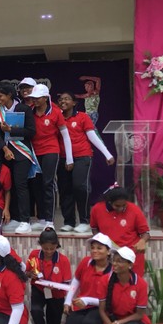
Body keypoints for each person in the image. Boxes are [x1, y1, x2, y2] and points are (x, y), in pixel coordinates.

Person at [57, 92, 115, 233]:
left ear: (74, 103)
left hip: (82, 156)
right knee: (65, 190)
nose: (63, 101)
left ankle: (84, 221)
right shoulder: (57, 118)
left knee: (80, 187)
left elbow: (92, 136)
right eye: (61, 99)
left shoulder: (82, 117)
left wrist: (107, 154)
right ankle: (69, 222)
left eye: (67, 99)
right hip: (63, 158)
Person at [0, 81, 37, 234]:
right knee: (9, 186)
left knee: (21, 185)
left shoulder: (24, 109)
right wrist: (4, 149)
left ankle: (25, 221)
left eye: (1, 96)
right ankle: (14, 218)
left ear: (9, 95)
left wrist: (11, 129)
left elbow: (31, 131)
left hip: (22, 152)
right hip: (5, 153)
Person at [28, 84, 73, 230]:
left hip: (51, 150)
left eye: (37, 98)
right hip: (35, 152)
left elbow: (65, 135)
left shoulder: (55, 112)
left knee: (48, 184)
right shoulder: (30, 111)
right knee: (37, 185)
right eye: (33, 98)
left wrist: (69, 158)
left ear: (45, 98)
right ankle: (41, 218)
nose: (35, 100)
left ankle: (49, 221)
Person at [97, 246, 150, 324]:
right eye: (113, 260)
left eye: (119, 261)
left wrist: (116, 323)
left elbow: (139, 314)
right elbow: (102, 311)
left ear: (130, 265)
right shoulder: (105, 280)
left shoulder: (140, 284)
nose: (114, 264)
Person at [25, 228, 72, 324]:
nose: (49, 251)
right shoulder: (34, 255)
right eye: (46, 248)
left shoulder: (63, 260)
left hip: (56, 294)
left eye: (52, 248)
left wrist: (56, 287)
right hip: (39, 289)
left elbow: (67, 284)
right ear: (40, 245)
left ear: (57, 245)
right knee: (35, 311)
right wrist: (31, 274)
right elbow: (27, 273)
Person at [62, 233, 113, 324]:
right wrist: (68, 301)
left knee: (90, 322)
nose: (94, 251)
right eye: (93, 248)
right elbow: (76, 280)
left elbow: (110, 301)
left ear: (108, 252)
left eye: (99, 248)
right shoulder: (86, 262)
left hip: (101, 309)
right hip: (82, 306)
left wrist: (87, 300)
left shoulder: (113, 271)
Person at [90, 185, 149, 273]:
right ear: (110, 202)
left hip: (131, 255)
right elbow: (94, 228)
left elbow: (145, 232)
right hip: (109, 256)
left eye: (124, 205)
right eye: (117, 206)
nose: (121, 208)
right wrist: (100, 243)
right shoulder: (97, 209)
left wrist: (142, 241)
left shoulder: (134, 209)